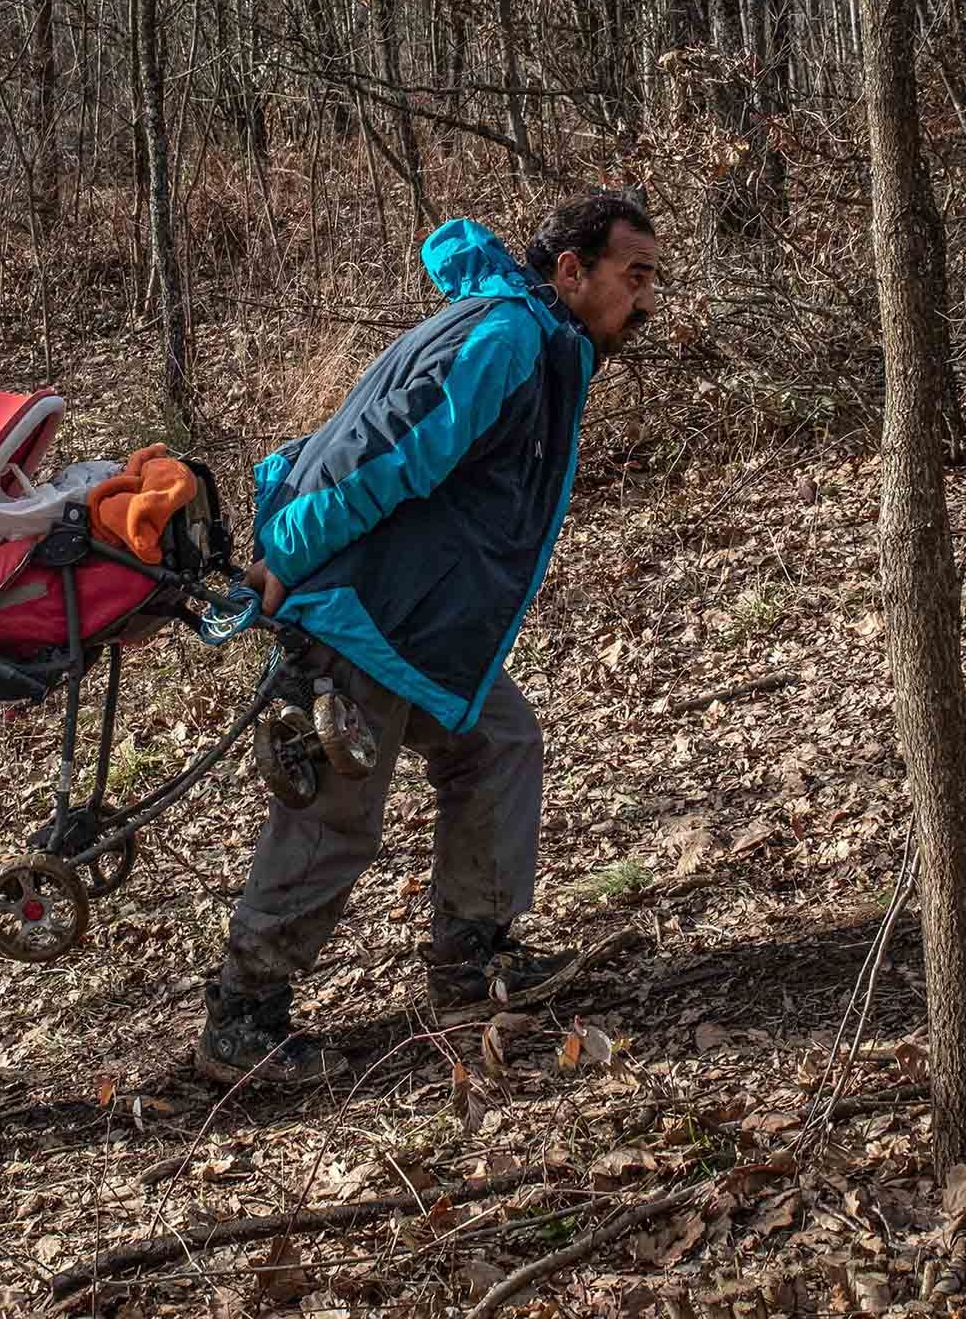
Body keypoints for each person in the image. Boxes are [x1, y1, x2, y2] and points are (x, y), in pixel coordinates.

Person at [196, 191, 661, 1088]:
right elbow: (381, 448)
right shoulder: (506, 339)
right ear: (572, 271)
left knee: (499, 746)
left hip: (424, 632)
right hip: (362, 618)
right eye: (633, 277)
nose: (646, 302)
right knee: (336, 817)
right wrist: (284, 555)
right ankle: (242, 1019)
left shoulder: (532, 336)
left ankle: (470, 964)